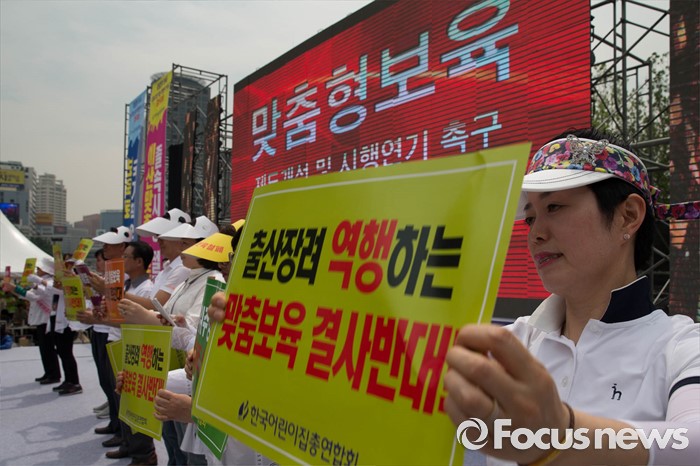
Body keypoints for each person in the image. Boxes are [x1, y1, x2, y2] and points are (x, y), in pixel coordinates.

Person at [443, 129, 700, 465]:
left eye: (555, 207)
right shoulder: (506, 347)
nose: (536, 234)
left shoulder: (682, 347)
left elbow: (692, 442)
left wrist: (561, 434)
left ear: (628, 216)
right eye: (531, 218)